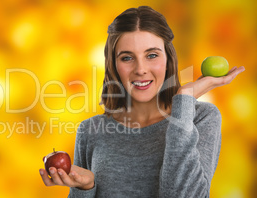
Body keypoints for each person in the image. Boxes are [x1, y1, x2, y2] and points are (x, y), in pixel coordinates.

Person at [39, 6, 245, 197]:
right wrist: (86, 187)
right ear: (113, 65)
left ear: (168, 60)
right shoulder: (90, 130)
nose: (140, 69)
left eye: (152, 55)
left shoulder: (201, 117)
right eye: (127, 58)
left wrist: (184, 100)